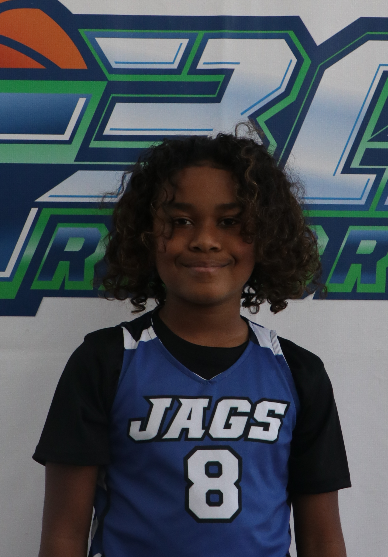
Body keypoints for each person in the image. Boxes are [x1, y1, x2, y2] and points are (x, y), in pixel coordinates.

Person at [33, 130, 351, 557]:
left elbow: (322, 539)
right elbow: (63, 536)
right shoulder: (105, 361)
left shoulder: (297, 371)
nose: (204, 240)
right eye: (180, 221)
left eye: (230, 221)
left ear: (266, 235)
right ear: (147, 233)